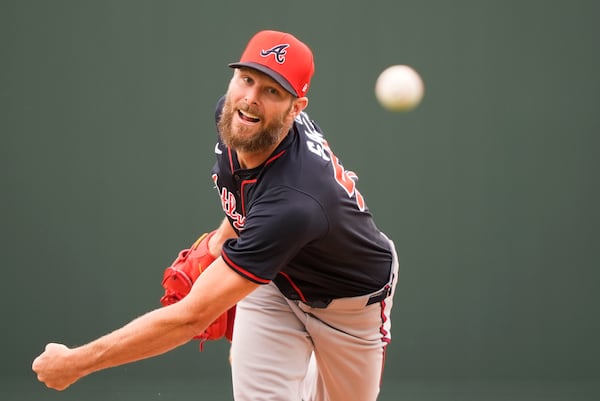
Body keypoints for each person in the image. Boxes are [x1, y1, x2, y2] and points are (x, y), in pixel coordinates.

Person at [32, 29, 399, 401]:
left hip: (348, 305)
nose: (251, 99)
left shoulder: (296, 202)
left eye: (272, 90)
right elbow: (252, 203)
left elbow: (192, 317)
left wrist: (76, 363)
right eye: (247, 79)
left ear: (296, 108)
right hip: (271, 281)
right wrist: (217, 242)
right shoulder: (235, 117)